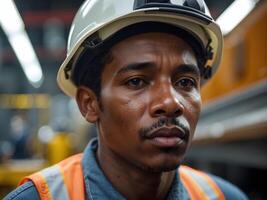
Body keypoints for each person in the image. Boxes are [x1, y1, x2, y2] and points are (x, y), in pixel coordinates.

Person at [5, 0, 248, 199]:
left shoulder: (224, 196)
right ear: (89, 103)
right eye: (137, 81)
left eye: (185, 82)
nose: (171, 103)